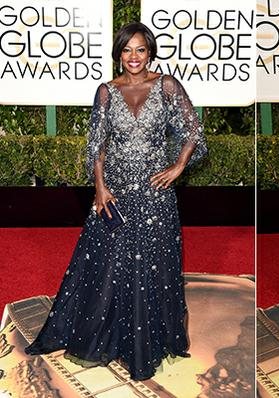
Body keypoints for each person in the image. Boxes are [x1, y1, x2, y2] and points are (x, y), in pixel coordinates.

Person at [25, 22, 207, 381]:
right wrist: (100, 187)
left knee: (153, 266)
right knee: (106, 266)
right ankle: (104, 336)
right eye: (127, 50)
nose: (134, 57)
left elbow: (193, 131)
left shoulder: (166, 86)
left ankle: (147, 343)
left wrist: (178, 166)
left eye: (140, 49)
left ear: (149, 52)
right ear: (118, 54)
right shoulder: (106, 91)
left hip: (156, 194)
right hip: (117, 191)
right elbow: (97, 144)